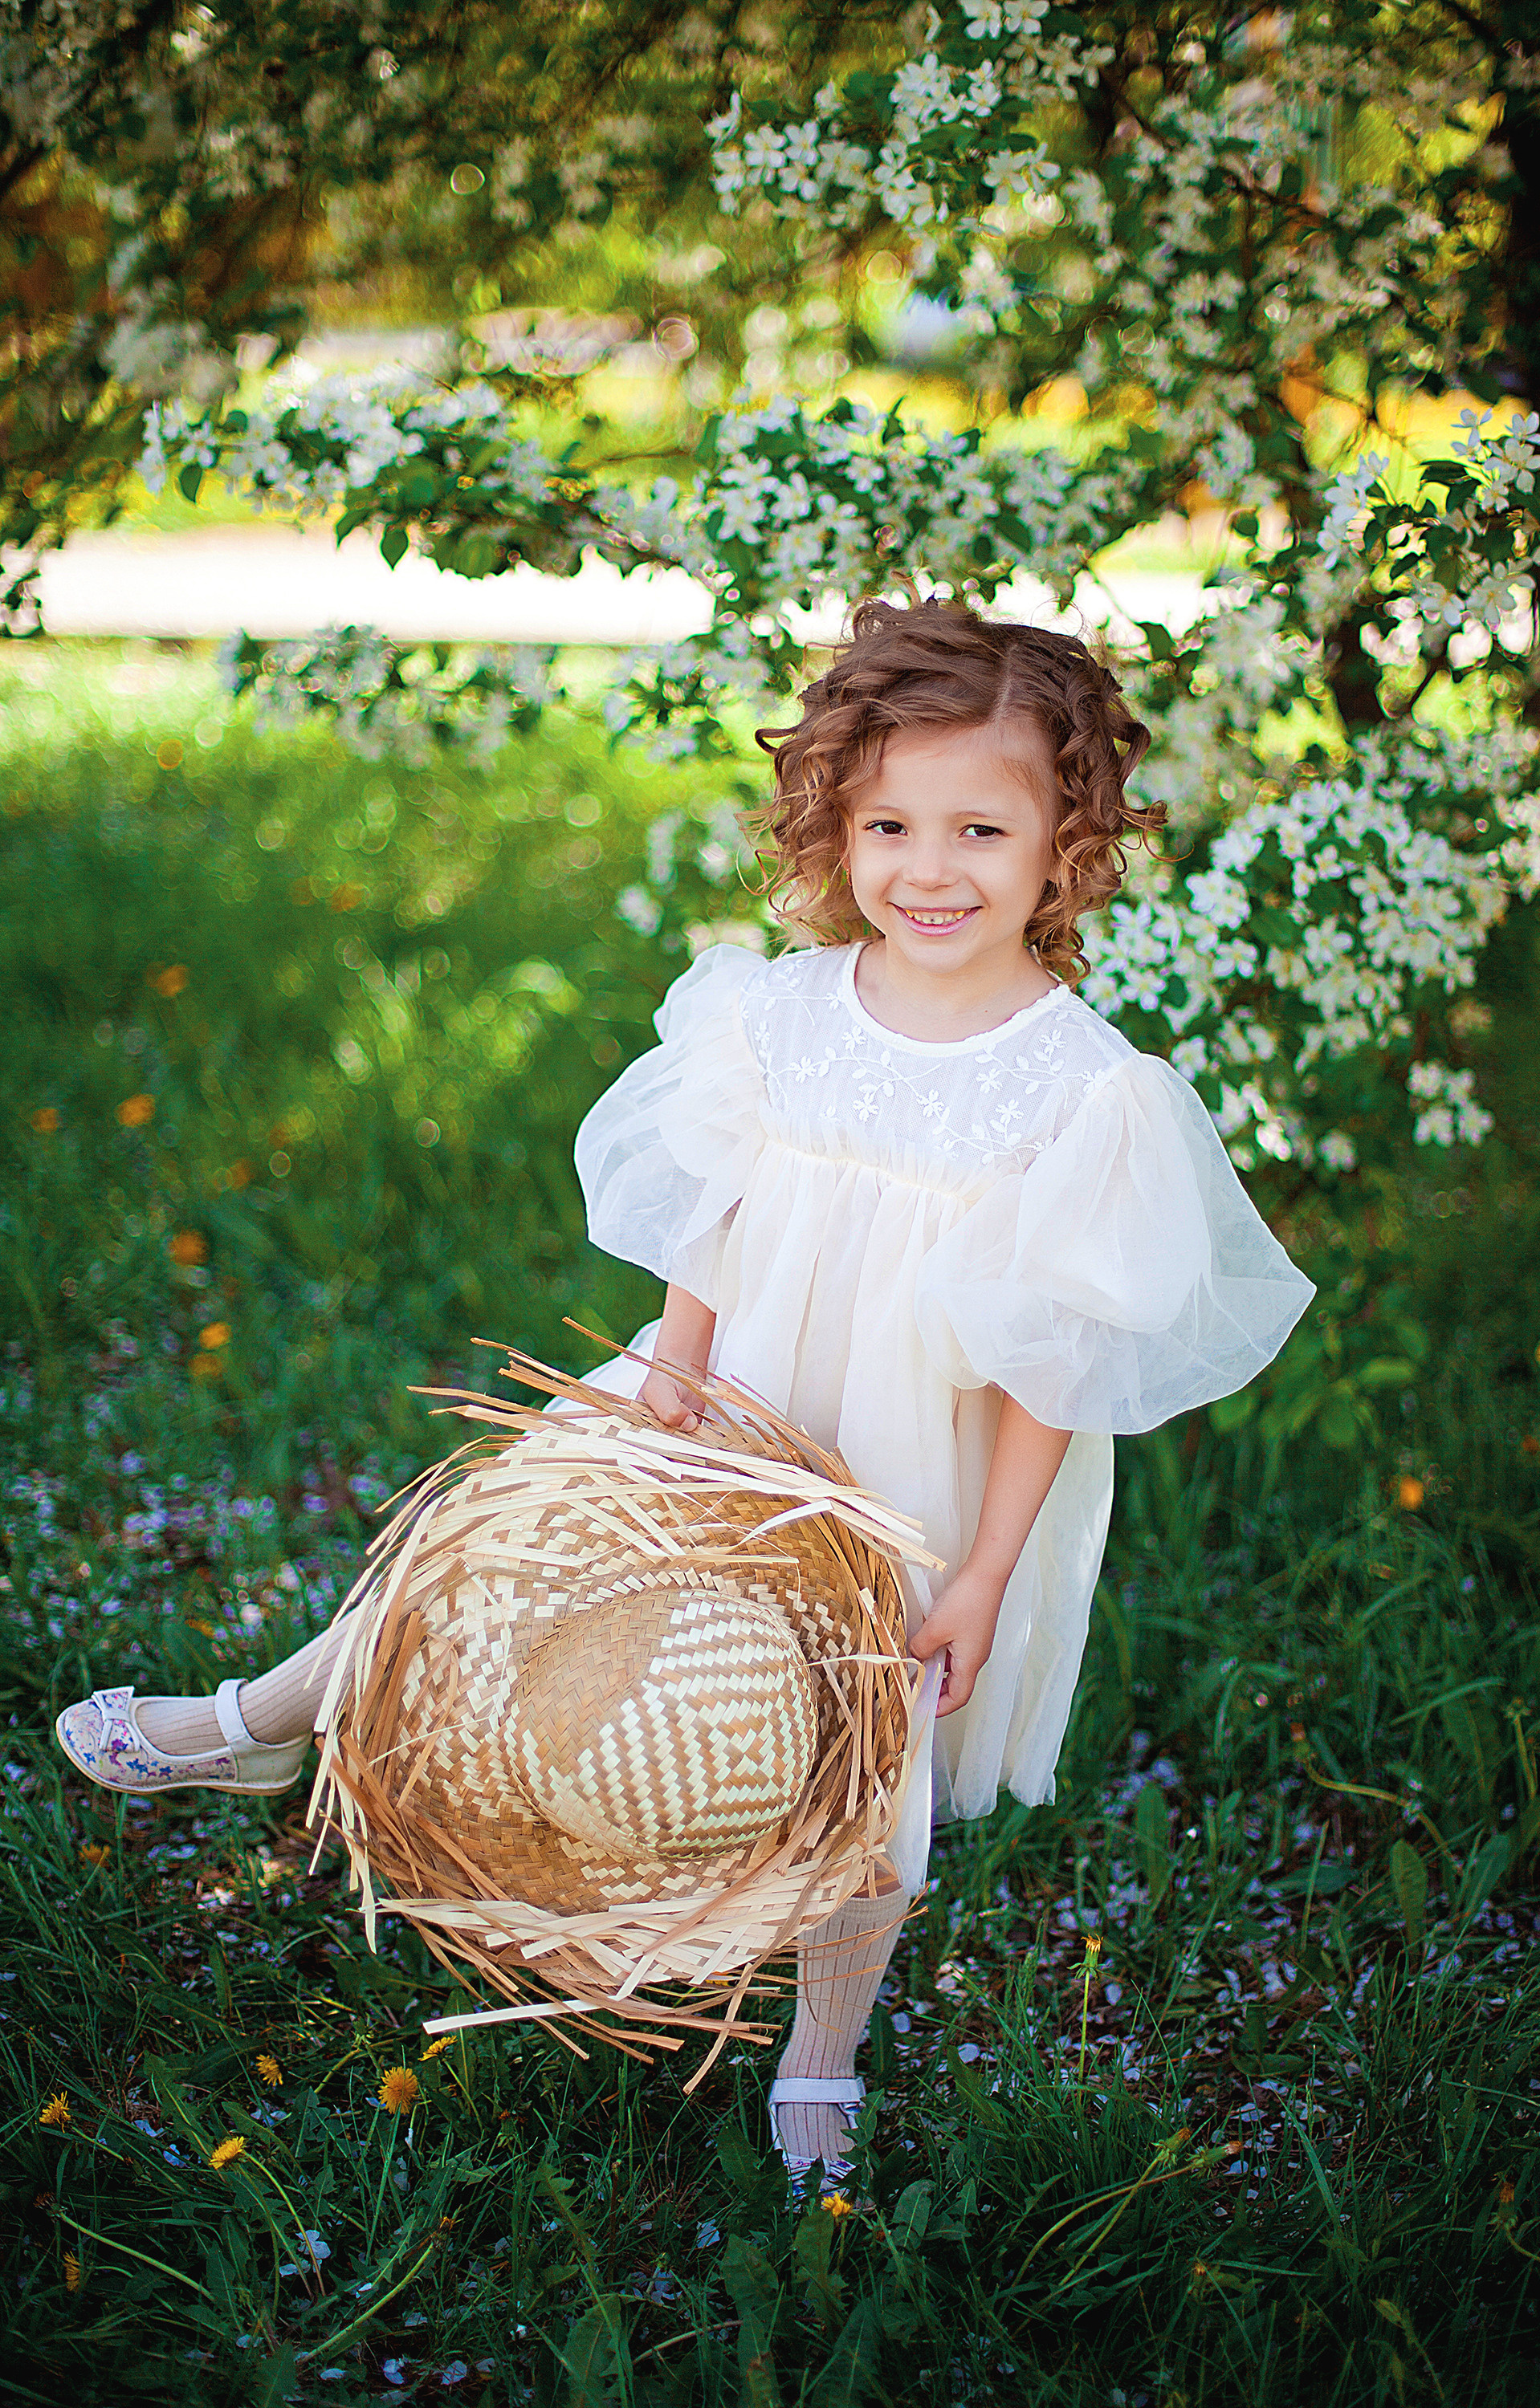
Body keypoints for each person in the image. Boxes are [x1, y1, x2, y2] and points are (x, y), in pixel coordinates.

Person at [56, 596, 1314, 2187]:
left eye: (982, 828)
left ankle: (823, 2055)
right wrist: (673, 1366)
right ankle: (256, 1724)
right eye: (890, 824)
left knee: (870, 1777)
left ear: (1067, 835)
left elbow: (1046, 1365)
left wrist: (986, 1567)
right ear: (833, 822)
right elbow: (714, 1210)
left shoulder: (1080, 1088)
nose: (931, 870)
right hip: (714, 1399)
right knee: (478, 1551)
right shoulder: (779, 1010)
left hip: (903, 1477)